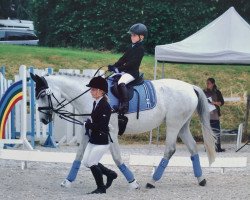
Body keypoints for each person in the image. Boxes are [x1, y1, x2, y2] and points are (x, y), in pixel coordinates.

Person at [83, 76, 117, 194]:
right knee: (86, 162)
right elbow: (94, 120)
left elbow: (102, 126)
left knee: (92, 163)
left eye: (93, 89)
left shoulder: (105, 106)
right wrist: (89, 122)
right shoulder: (96, 103)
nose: (91, 91)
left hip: (102, 140)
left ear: (101, 91)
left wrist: (88, 125)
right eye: (91, 89)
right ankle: (110, 173)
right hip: (94, 139)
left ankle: (101, 188)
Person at [108, 23, 147, 114]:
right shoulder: (131, 47)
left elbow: (132, 63)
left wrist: (119, 69)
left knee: (121, 82)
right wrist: (114, 66)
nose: (132, 37)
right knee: (113, 78)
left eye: (134, 35)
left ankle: (125, 105)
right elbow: (123, 59)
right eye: (131, 35)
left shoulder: (140, 49)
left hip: (132, 73)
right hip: (126, 71)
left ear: (141, 37)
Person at [203, 77, 225, 152]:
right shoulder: (204, 92)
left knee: (217, 131)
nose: (207, 85)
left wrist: (214, 103)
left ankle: (218, 147)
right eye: (207, 83)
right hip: (206, 114)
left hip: (215, 115)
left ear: (213, 84)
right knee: (207, 132)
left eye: (209, 83)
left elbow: (222, 102)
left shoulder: (217, 92)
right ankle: (208, 148)